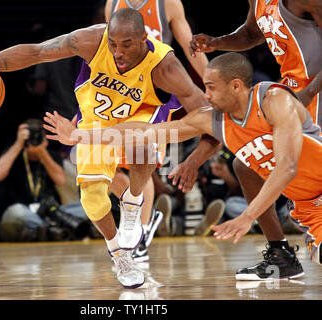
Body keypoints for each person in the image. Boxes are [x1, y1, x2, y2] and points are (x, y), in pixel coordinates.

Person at [0, 8, 221, 288]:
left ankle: (134, 203)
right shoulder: (91, 40)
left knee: (142, 144)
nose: (118, 52)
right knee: (93, 198)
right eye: (113, 44)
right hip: (95, 118)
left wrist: (194, 161)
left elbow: (212, 121)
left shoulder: (166, 67)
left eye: (126, 45)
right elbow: (36, 51)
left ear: (144, 38)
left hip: (139, 115)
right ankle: (121, 256)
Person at [45, 52, 322, 277]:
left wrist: (247, 216)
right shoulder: (210, 119)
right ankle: (282, 255)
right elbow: (146, 132)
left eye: (212, 88)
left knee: (242, 166)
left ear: (236, 86)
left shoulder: (274, 100)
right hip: (309, 208)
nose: (207, 95)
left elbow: (287, 166)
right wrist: (81, 135)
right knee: (242, 165)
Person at [188, 0, 321, 279]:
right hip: (295, 92)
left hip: (313, 92)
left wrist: (309, 93)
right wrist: (216, 42)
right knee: (245, 164)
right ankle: (280, 254)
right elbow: (251, 34)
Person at [105, 0, 210, 261]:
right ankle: (138, 218)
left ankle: (138, 235)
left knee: (143, 165)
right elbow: (106, 50)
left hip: (153, 94)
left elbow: (190, 47)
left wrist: (211, 81)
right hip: (120, 93)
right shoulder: (114, 3)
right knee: (103, 167)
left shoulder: (169, 3)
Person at [0, 119, 67, 242]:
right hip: (20, 215)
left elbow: (61, 180)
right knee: (16, 212)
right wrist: (18, 144)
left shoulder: (52, 156)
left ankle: (45, 228)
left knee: (85, 208)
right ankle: (53, 227)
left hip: (48, 212)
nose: (34, 140)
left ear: (46, 140)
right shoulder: (13, 154)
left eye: (38, 137)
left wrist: (42, 152)